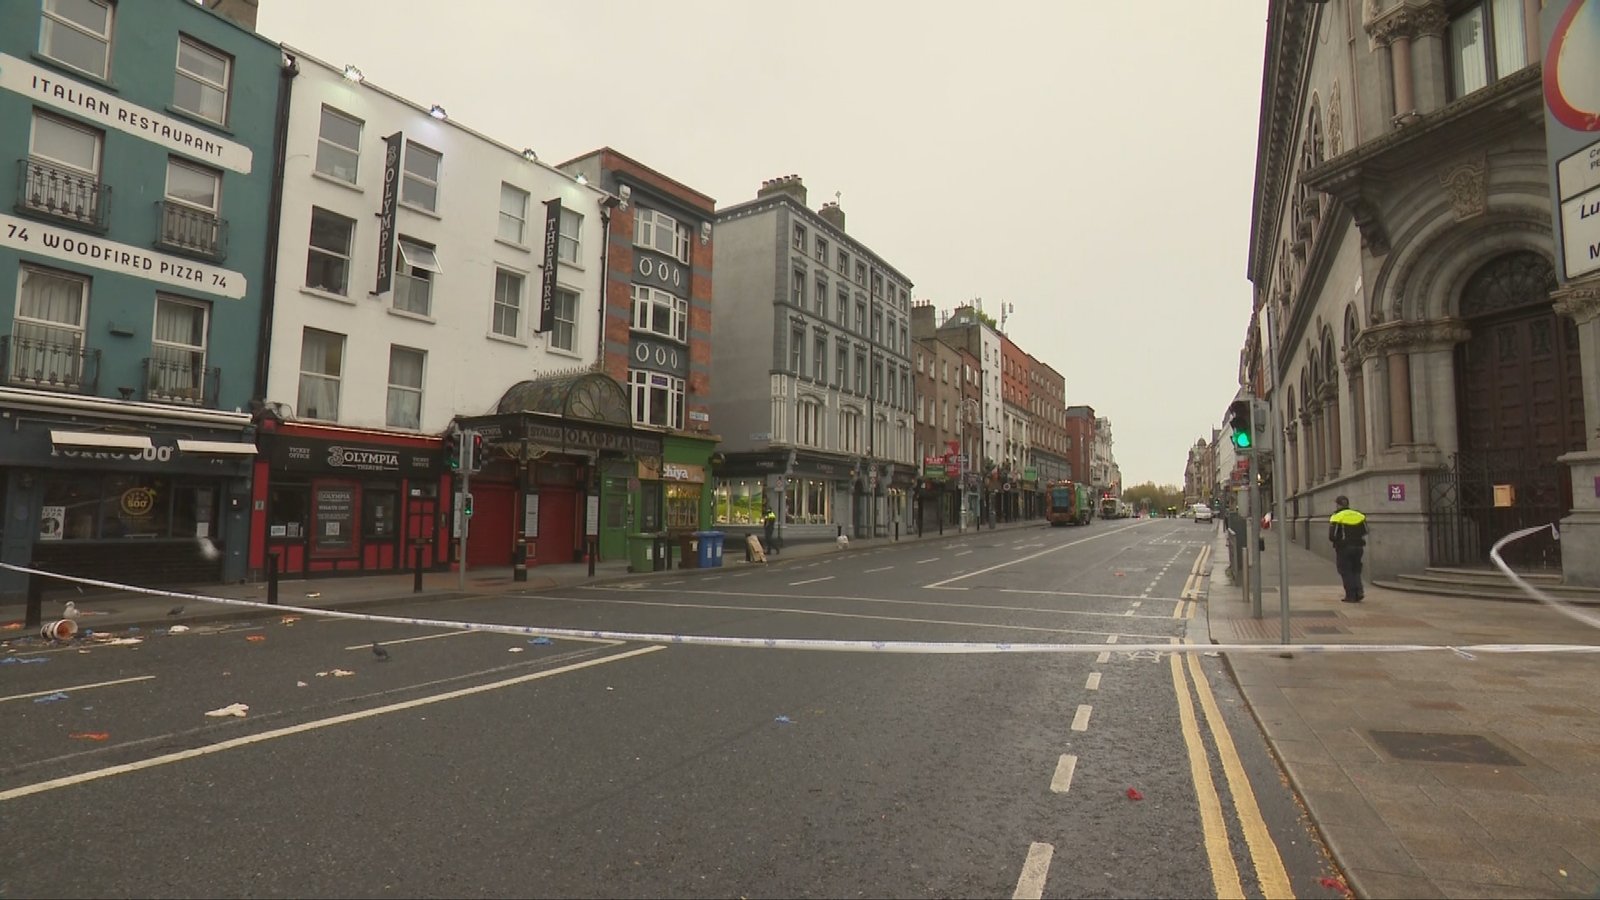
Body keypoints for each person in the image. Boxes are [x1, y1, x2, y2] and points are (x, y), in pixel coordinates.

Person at [1328, 495, 1368, 602]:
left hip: (1344, 548)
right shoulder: (1359, 515)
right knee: (1356, 570)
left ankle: (1350, 595)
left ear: (1338, 505)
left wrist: (1340, 541)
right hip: (1359, 547)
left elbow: (1332, 536)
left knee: (1346, 571)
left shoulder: (1336, 516)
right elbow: (1365, 530)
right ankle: (1359, 592)